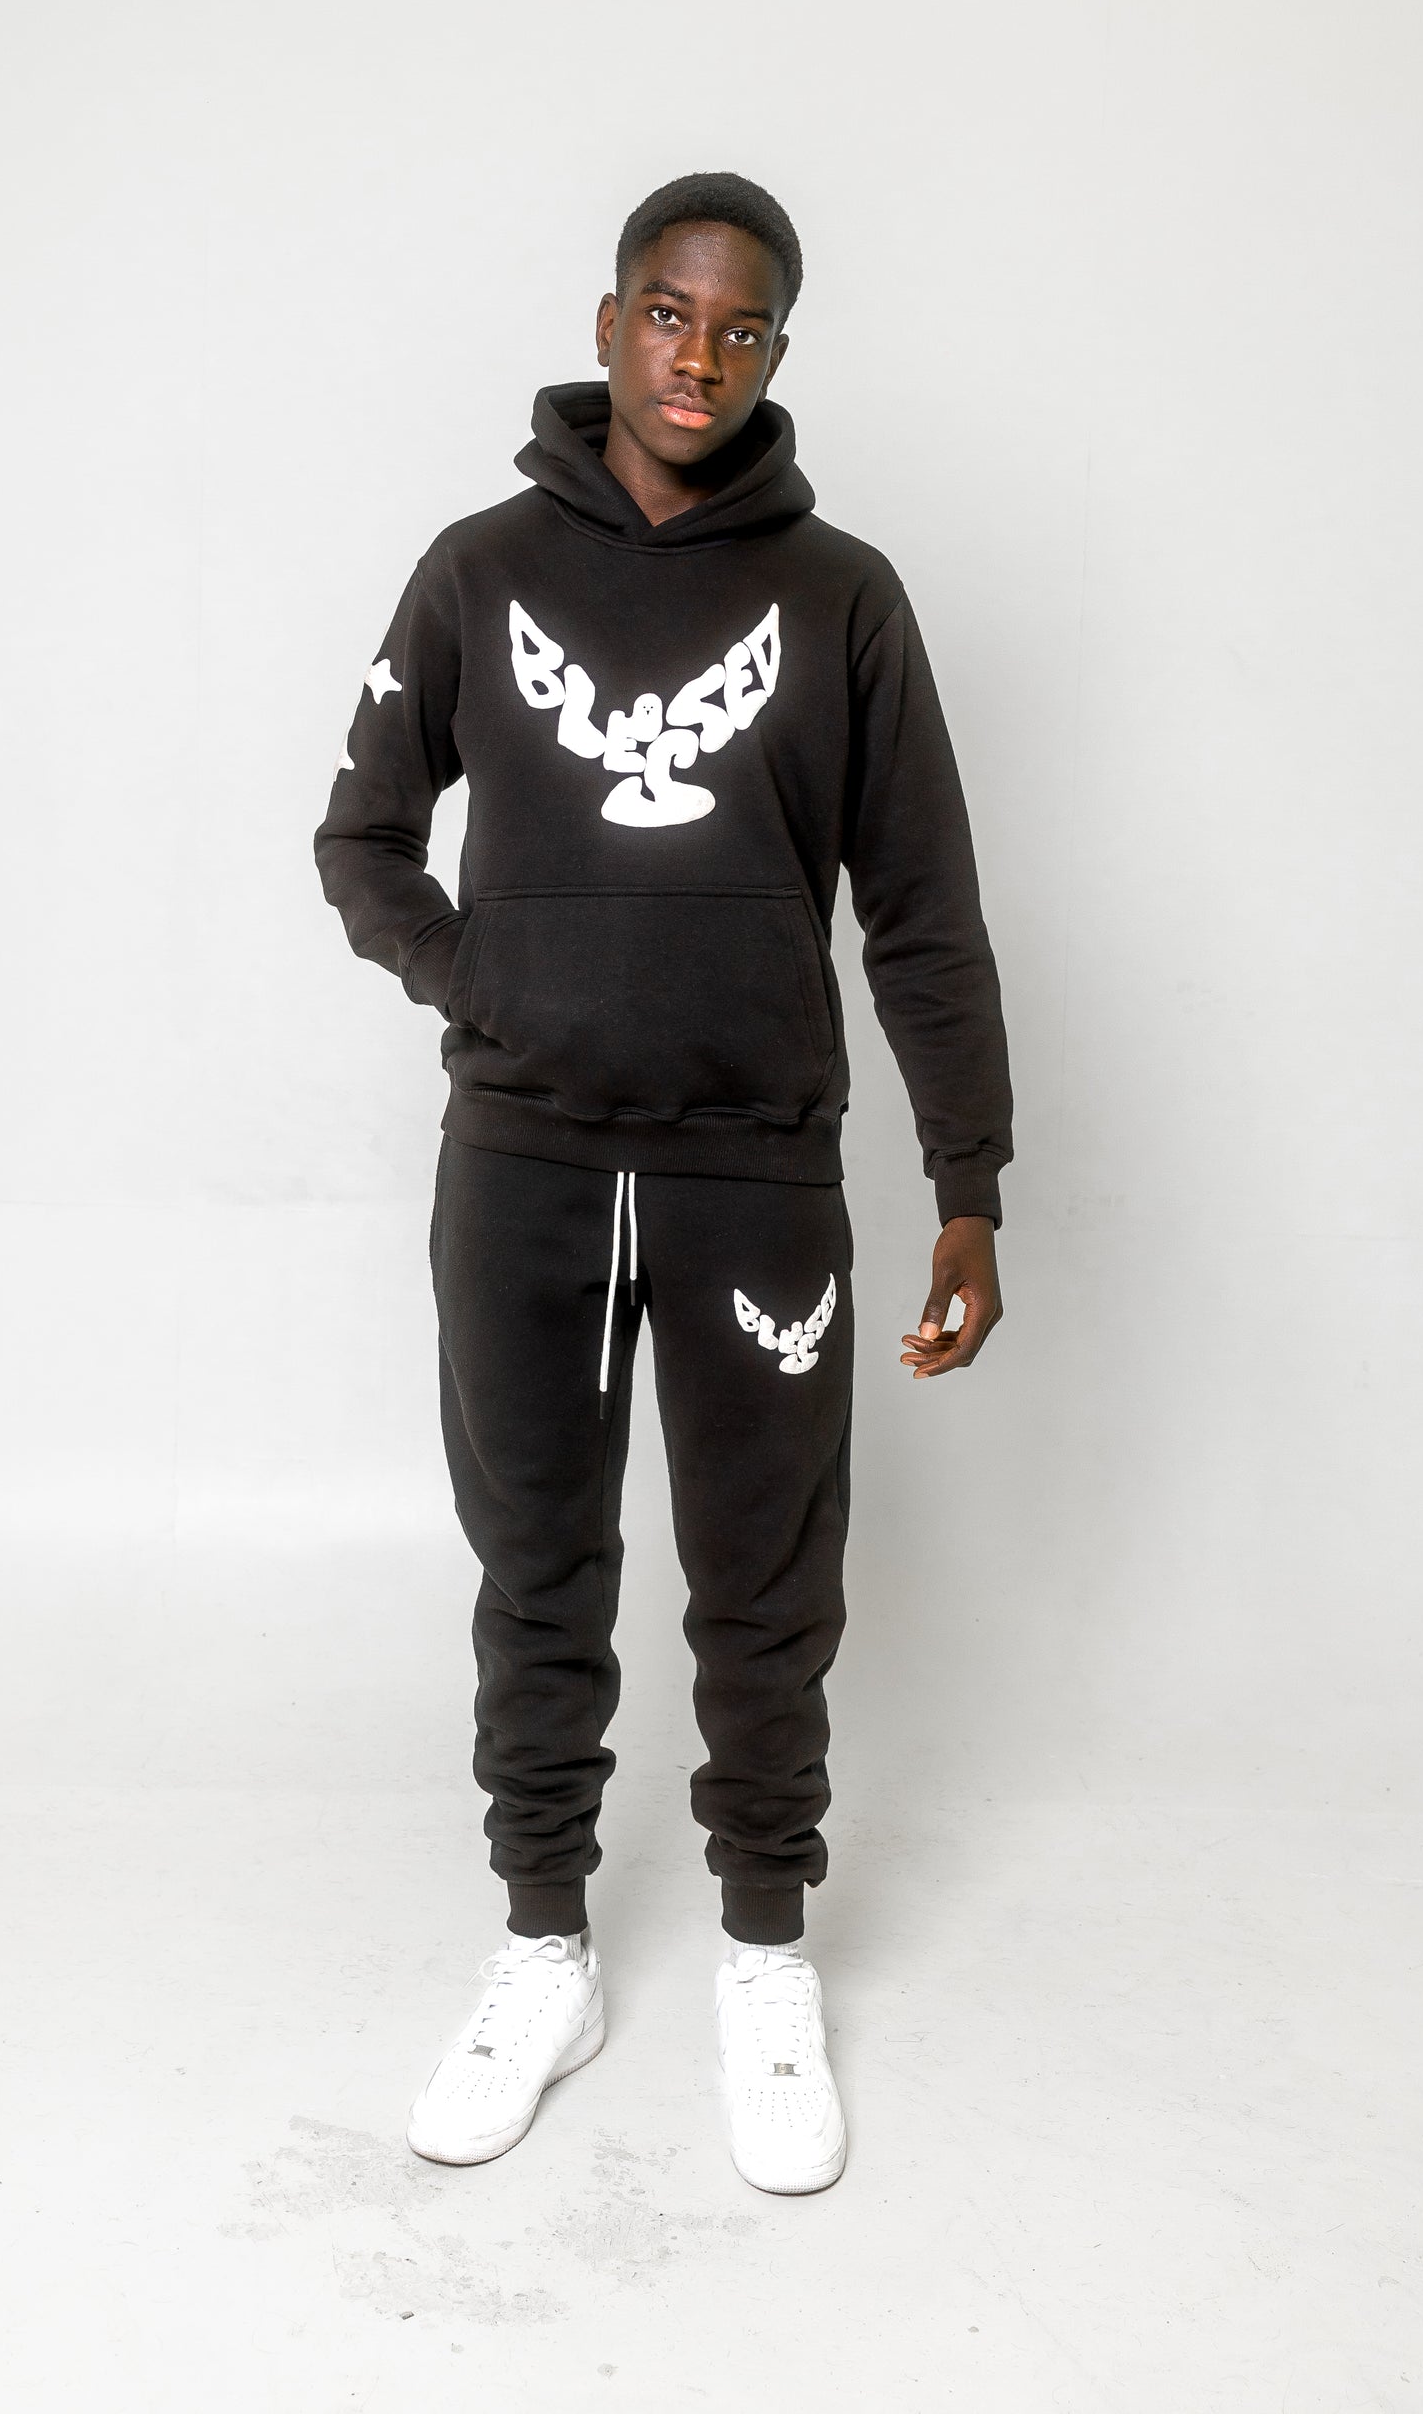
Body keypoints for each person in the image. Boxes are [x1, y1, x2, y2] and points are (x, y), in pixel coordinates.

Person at [314, 172, 1011, 2195]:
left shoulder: (843, 598)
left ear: (775, 352)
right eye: (667, 311)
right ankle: (543, 1950)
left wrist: (967, 1178)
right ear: (609, 318)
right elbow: (361, 836)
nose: (698, 354)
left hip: (755, 1172)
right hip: (522, 1161)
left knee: (764, 1581)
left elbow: (922, 912)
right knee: (536, 1563)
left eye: (740, 326)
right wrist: (484, 981)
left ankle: (765, 1958)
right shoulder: (477, 571)